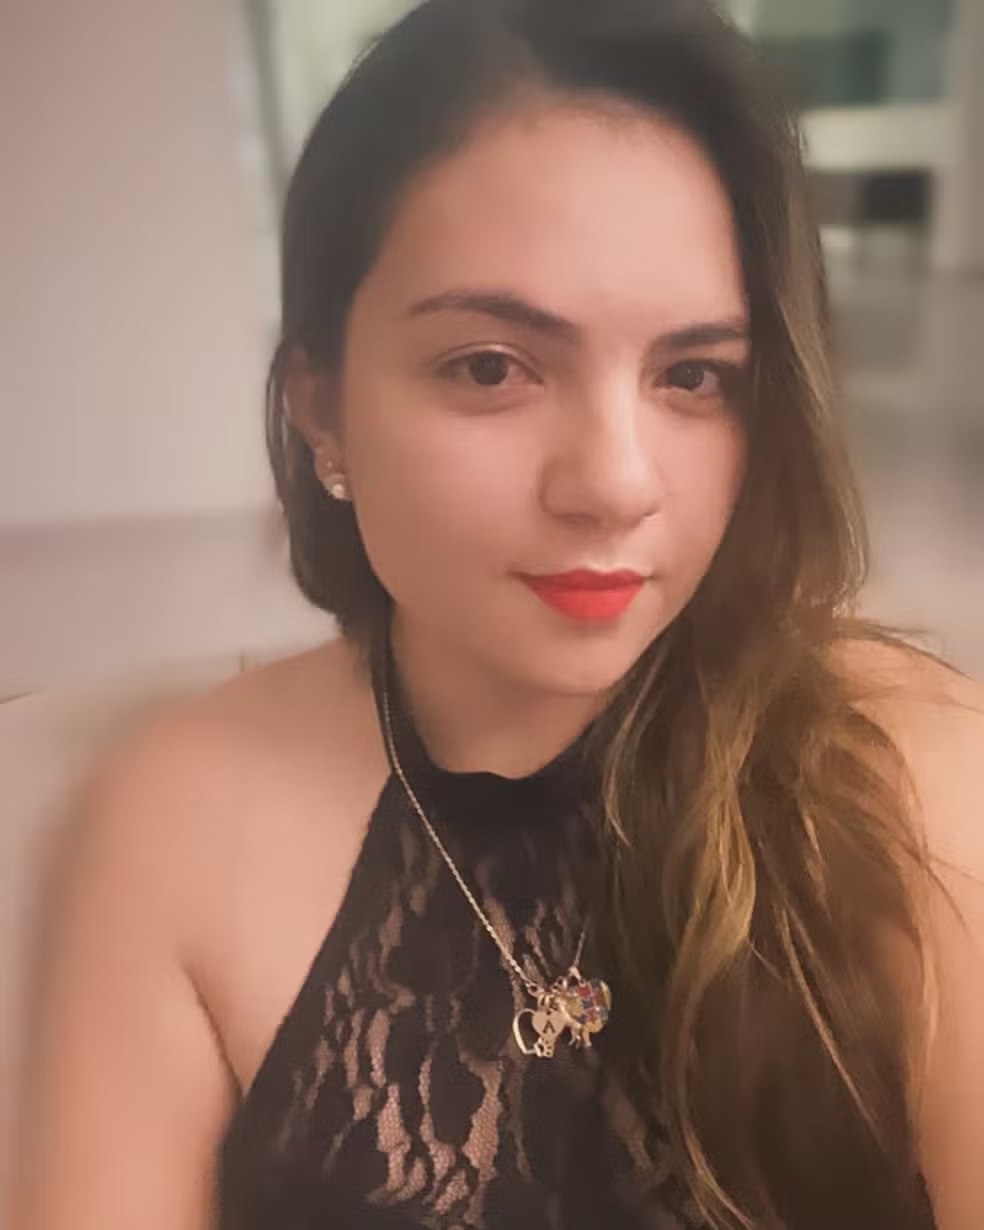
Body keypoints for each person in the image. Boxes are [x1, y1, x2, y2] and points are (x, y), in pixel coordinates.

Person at [16, 0, 984, 1227]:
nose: (616, 483)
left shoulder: (917, 780)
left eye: (694, 376)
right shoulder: (177, 826)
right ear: (321, 405)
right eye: (491, 367)